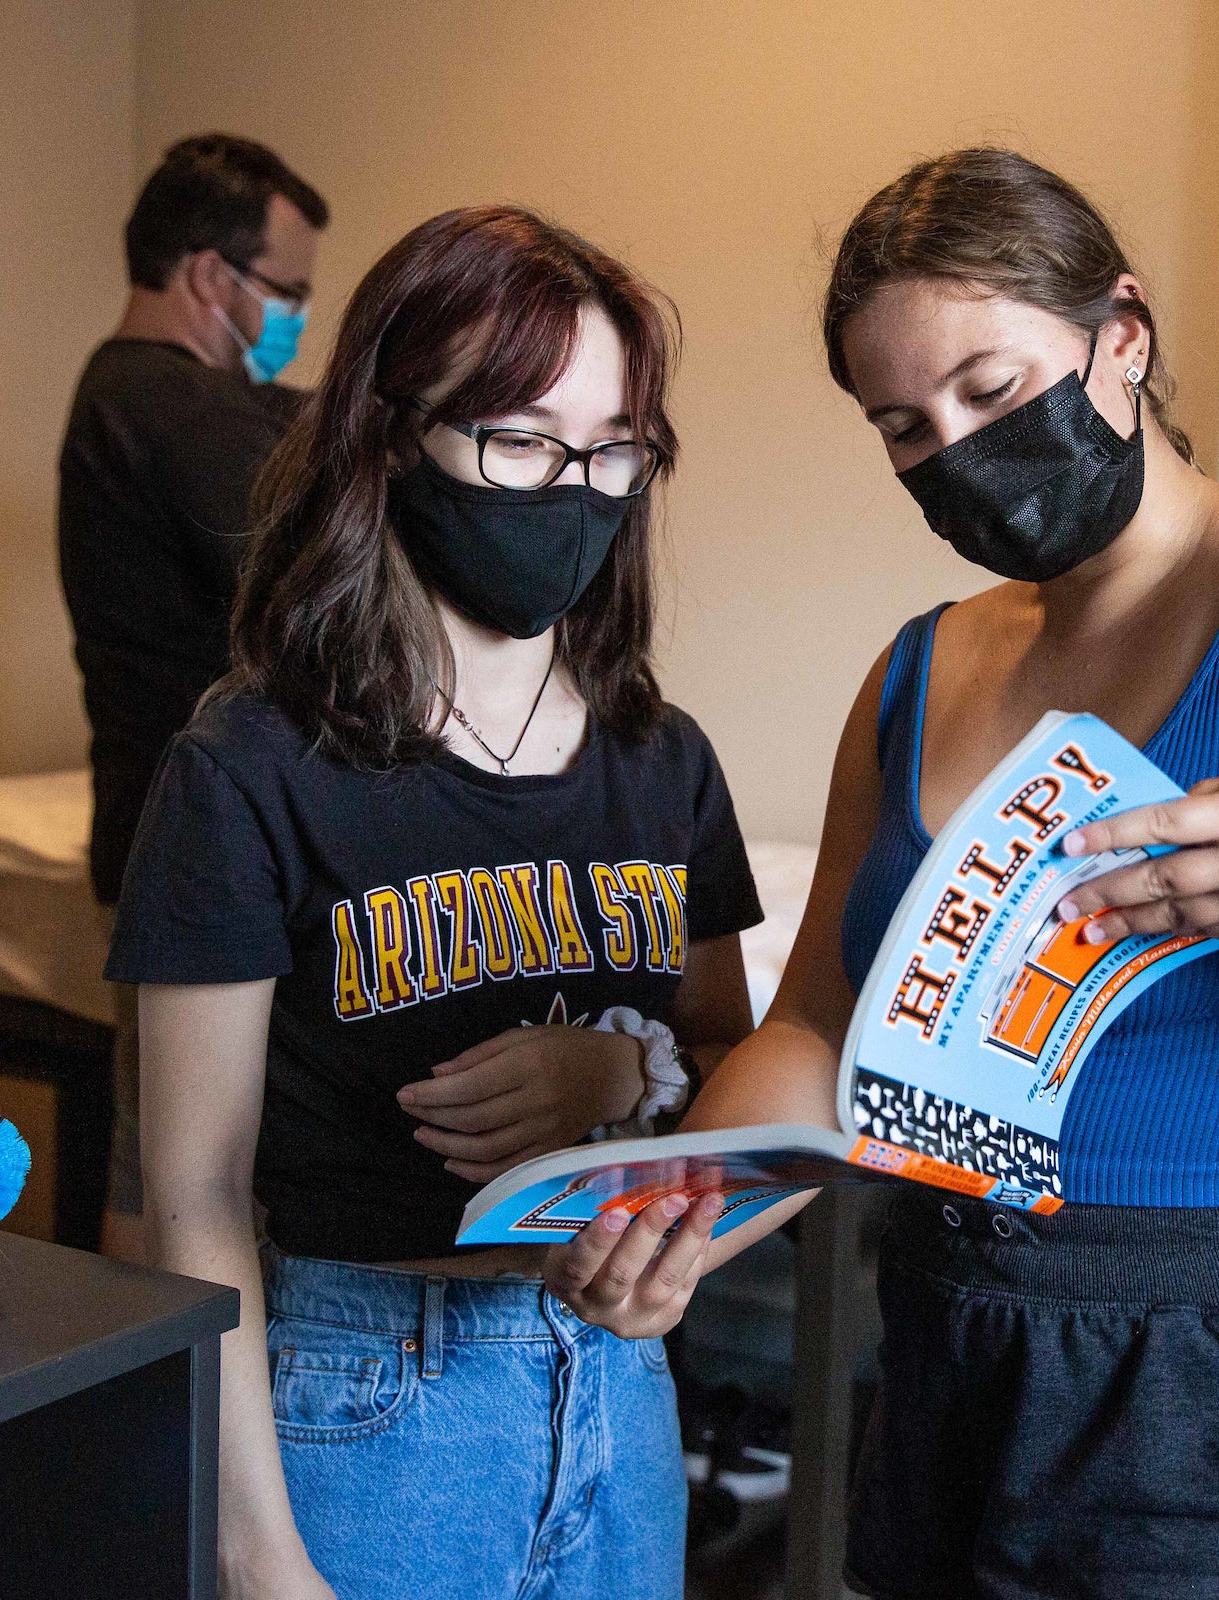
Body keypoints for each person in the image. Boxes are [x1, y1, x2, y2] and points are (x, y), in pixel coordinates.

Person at [546, 149, 1219, 1599]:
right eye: (902, 425)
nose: (953, 452)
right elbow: (821, 1026)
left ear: (1121, 336)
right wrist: (692, 1208)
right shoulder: (921, 666)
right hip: (952, 1338)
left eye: (992, 392)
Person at [106, 206, 759, 1600]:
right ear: (395, 435)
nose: (575, 488)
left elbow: (729, 1075)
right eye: (522, 440)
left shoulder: (666, 760)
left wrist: (620, 1066)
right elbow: (196, 1193)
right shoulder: (249, 769)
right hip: (366, 1395)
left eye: (615, 448)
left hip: (623, 1390)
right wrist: (254, 1553)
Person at [59, 133, 329, 1260]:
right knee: (179, 1181)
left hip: (158, 828)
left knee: (160, 1165)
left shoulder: (152, 397)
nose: (296, 320)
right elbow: (312, 573)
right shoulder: (174, 408)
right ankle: (155, 1427)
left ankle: (158, 1415)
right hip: (187, 844)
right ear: (213, 275)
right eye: (290, 293)